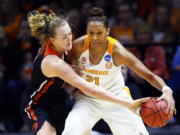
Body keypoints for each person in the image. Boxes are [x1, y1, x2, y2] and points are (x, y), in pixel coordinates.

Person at [22, 9, 149, 135]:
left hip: (59, 101)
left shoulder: (64, 48)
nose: (69, 39)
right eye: (64, 37)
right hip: (38, 104)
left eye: (70, 34)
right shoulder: (53, 62)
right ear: (52, 40)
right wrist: (128, 103)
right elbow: (90, 89)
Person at [62, 7, 176, 135]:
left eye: (99, 33)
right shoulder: (77, 47)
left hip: (117, 99)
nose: (94, 37)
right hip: (87, 100)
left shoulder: (117, 51)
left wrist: (167, 90)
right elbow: (59, 66)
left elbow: (149, 75)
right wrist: (69, 69)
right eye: (91, 33)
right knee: (70, 131)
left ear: (108, 32)